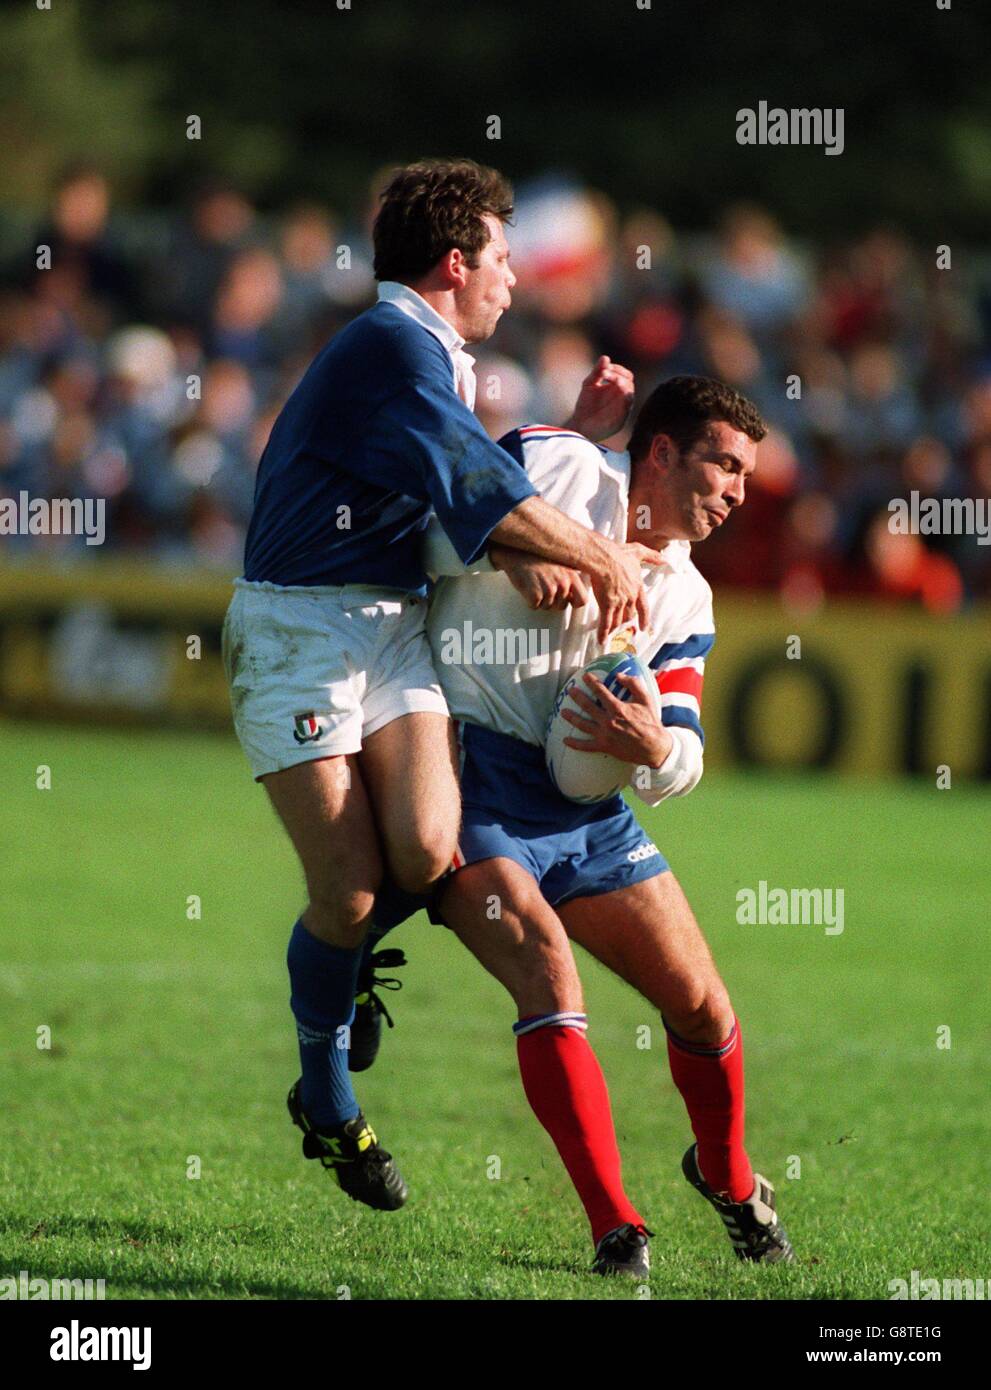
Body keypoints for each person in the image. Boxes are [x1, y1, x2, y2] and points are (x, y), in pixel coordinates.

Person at [222, 158, 657, 1213]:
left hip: (393, 623)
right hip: (300, 632)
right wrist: (602, 560)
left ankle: (333, 980)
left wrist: (569, 464)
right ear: (456, 261)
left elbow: (465, 486)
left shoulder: (432, 354)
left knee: (428, 851)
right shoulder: (391, 345)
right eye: (504, 257)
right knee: (356, 890)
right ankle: (326, 1104)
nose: (515, 276)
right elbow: (480, 489)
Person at [364, 376, 793, 1276]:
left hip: (589, 813)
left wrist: (652, 748)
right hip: (469, 778)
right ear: (662, 452)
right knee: (548, 975)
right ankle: (614, 1227)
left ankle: (726, 1174)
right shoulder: (557, 465)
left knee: (704, 1006)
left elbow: (684, 753)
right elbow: (425, 534)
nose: (735, 492)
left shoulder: (686, 595)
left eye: (745, 477)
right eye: (722, 465)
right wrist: (511, 554)